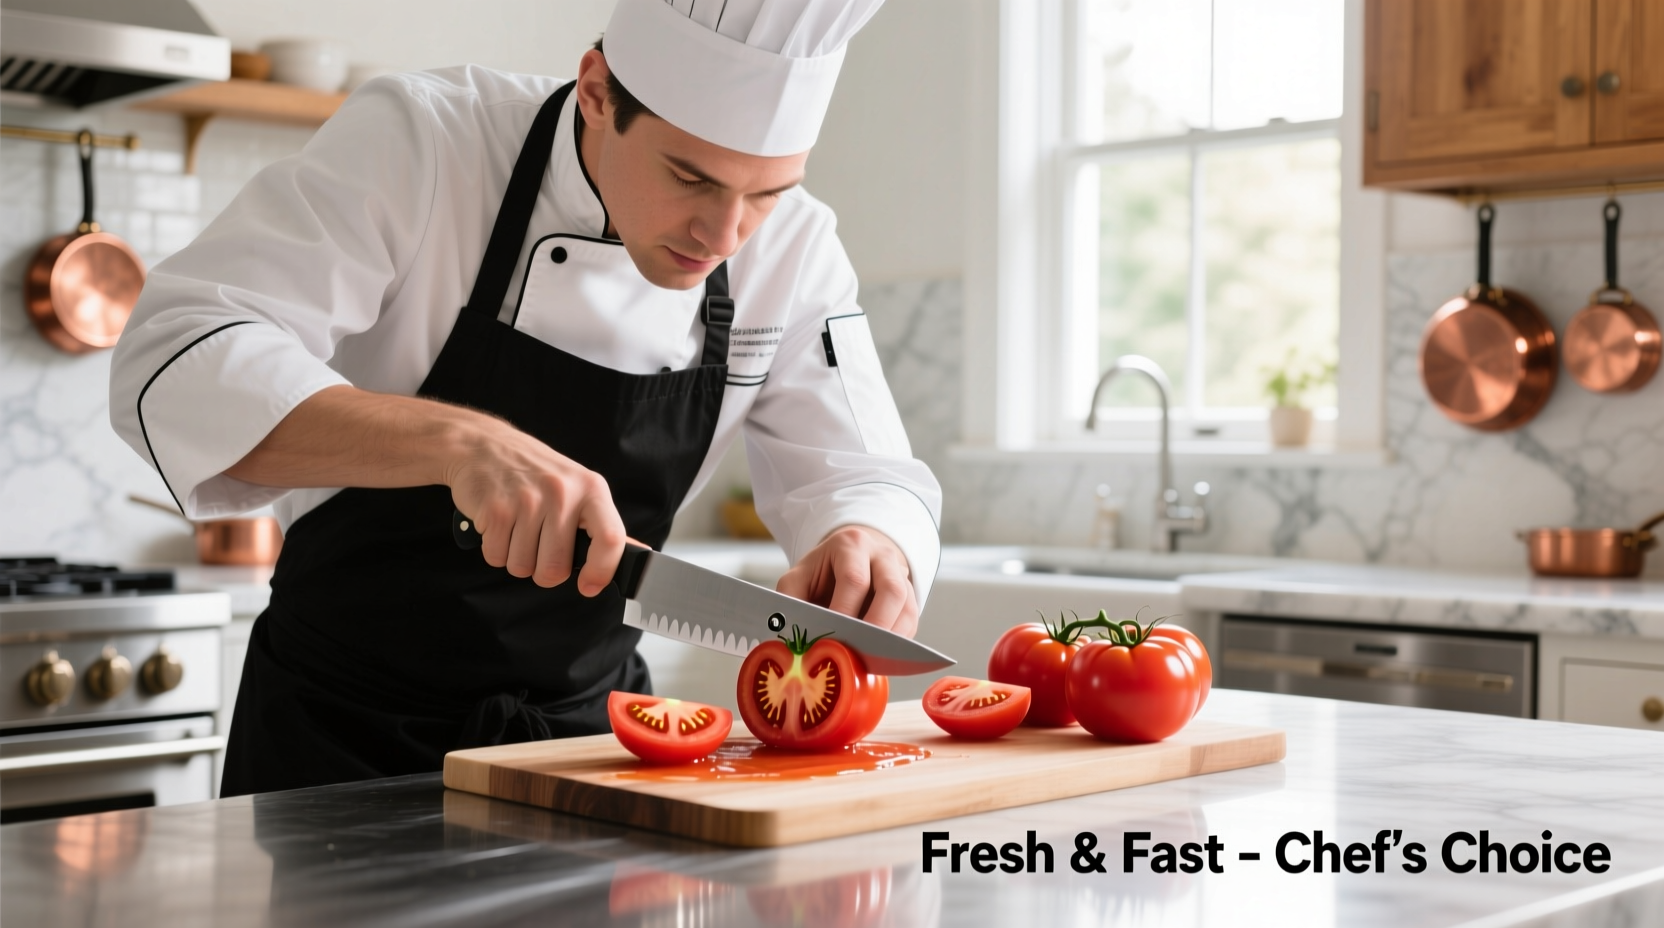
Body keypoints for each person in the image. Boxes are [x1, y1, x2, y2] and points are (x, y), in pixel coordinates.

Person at [109, 0, 941, 796]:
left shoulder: (794, 251)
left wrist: (871, 541)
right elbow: (175, 359)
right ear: (596, 91)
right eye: (689, 177)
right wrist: (458, 444)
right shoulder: (427, 141)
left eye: (767, 193)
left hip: (595, 751)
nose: (722, 236)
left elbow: (865, 472)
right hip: (339, 742)